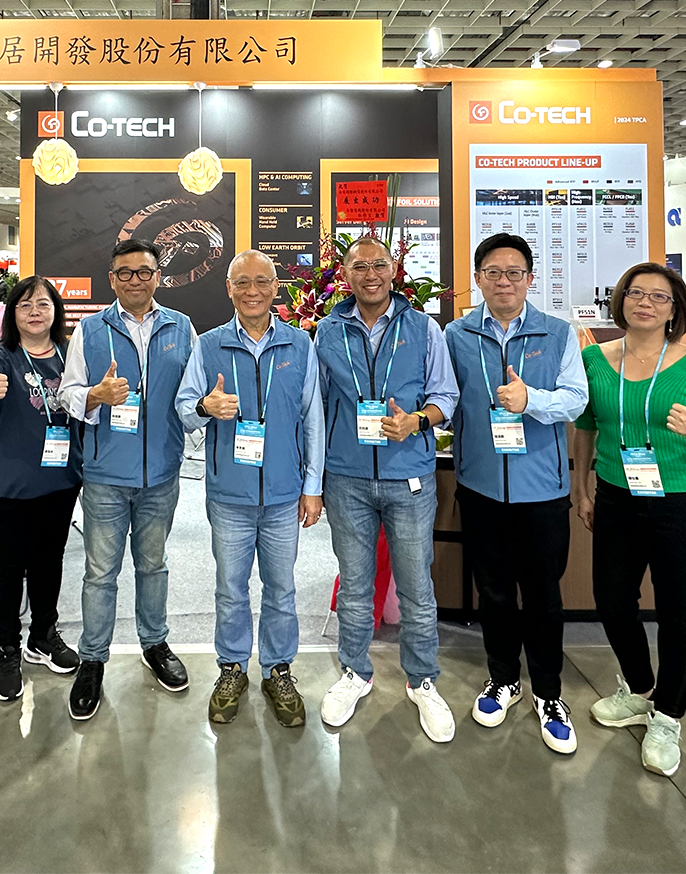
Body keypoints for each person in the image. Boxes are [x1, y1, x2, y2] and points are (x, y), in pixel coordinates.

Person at [445, 233, 588, 755]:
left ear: (530, 278)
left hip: (541, 491)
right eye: (493, 272)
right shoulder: (456, 334)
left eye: (514, 272)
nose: (503, 281)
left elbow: (575, 399)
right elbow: (445, 396)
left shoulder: (558, 332)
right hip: (480, 487)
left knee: (544, 597)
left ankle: (549, 693)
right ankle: (503, 679)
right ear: (478, 278)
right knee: (495, 593)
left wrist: (531, 400)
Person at [314, 236, 459, 742]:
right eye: (360, 266)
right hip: (347, 478)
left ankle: (422, 681)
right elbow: (317, 407)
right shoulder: (327, 331)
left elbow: (446, 396)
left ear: (394, 270)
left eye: (379, 265)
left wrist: (417, 421)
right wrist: (315, 478)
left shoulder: (423, 327)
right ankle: (355, 673)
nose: (370, 274)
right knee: (355, 587)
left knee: (417, 588)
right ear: (345, 274)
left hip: (409, 477)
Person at [176, 250, 324, 727]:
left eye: (262, 281)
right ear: (229, 289)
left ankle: (278, 669)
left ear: (276, 287)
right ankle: (232, 668)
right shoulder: (209, 345)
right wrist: (206, 406)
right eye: (242, 282)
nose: (253, 291)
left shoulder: (300, 344)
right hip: (229, 496)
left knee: (281, 589)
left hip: (283, 495)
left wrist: (313, 485)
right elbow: (183, 410)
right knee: (230, 589)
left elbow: (313, 419)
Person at [58, 237, 195, 721]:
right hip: (105, 477)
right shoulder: (91, 329)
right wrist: (95, 395)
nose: (135, 280)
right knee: (100, 572)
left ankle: (154, 644)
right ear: (112, 280)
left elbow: (191, 395)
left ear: (158, 277)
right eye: (125, 273)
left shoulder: (181, 327)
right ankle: (93, 659)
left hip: (161, 474)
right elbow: (68, 394)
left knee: (153, 565)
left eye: (144, 272)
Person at [574, 262, 686, 777]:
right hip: (617, 495)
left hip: (678, 499)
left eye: (659, 297)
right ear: (620, 300)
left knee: (678, 612)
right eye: (636, 293)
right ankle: (641, 689)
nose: (645, 302)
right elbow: (586, 426)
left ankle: (669, 713)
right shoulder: (594, 358)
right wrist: (583, 487)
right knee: (613, 600)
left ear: (674, 309)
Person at [0, 276, 82, 701]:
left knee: (49, 562)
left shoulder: (70, 355)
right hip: (5, 487)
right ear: (12, 313)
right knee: (8, 568)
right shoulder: (1, 357)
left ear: (55, 311)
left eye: (43, 304)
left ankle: (42, 636)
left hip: (59, 482)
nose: (34, 312)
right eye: (25, 304)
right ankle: (8, 649)